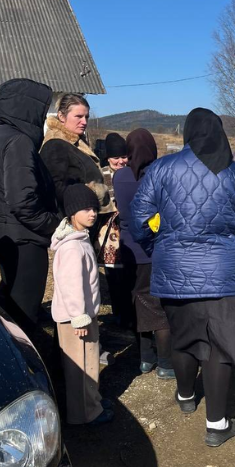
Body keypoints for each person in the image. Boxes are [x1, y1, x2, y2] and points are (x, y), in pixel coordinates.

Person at [131, 108, 235, 448]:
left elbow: (138, 219)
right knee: (218, 349)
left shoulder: (162, 169)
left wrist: (159, 245)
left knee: (183, 338)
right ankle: (217, 423)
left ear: (188, 134)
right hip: (224, 276)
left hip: (173, 272)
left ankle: (184, 397)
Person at [0, 79, 61, 366]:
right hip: (23, 239)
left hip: (2, 234)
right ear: (27, 108)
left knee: (9, 302)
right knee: (24, 316)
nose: (44, 118)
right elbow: (22, 201)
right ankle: (21, 375)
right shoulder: (18, 141)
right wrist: (55, 224)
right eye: (43, 112)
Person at [51, 184, 114, 425]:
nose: (93, 213)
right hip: (75, 319)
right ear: (71, 212)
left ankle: (92, 402)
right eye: (86, 209)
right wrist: (78, 317)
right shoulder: (72, 248)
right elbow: (71, 286)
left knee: (89, 361)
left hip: (84, 315)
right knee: (82, 367)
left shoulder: (79, 239)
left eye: (95, 208)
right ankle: (85, 413)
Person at [113, 129, 175, 378]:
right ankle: (166, 363)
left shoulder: (120, 177)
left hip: (129, 249)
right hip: (157, 248)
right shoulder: (161, 174)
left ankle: (145, 358)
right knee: (159, 306)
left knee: (138, 302)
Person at [39, 94, 113, 217]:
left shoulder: (76, 141)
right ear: (62, 116)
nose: (84, 122)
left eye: (86, 117)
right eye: (78, 116)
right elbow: (55, 189)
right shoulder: (55, 145)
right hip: (73, 220)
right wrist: (93, 193)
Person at [98, 132, 136, 342]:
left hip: (128, 231)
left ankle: (131, 315)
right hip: (109, 234)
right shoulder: (100, 175)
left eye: (124, 156)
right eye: (116, 158)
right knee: (113, 277)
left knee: (130, 276)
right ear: (108, 158)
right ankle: (119, 314)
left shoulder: (132, 173)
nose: (121, 161)